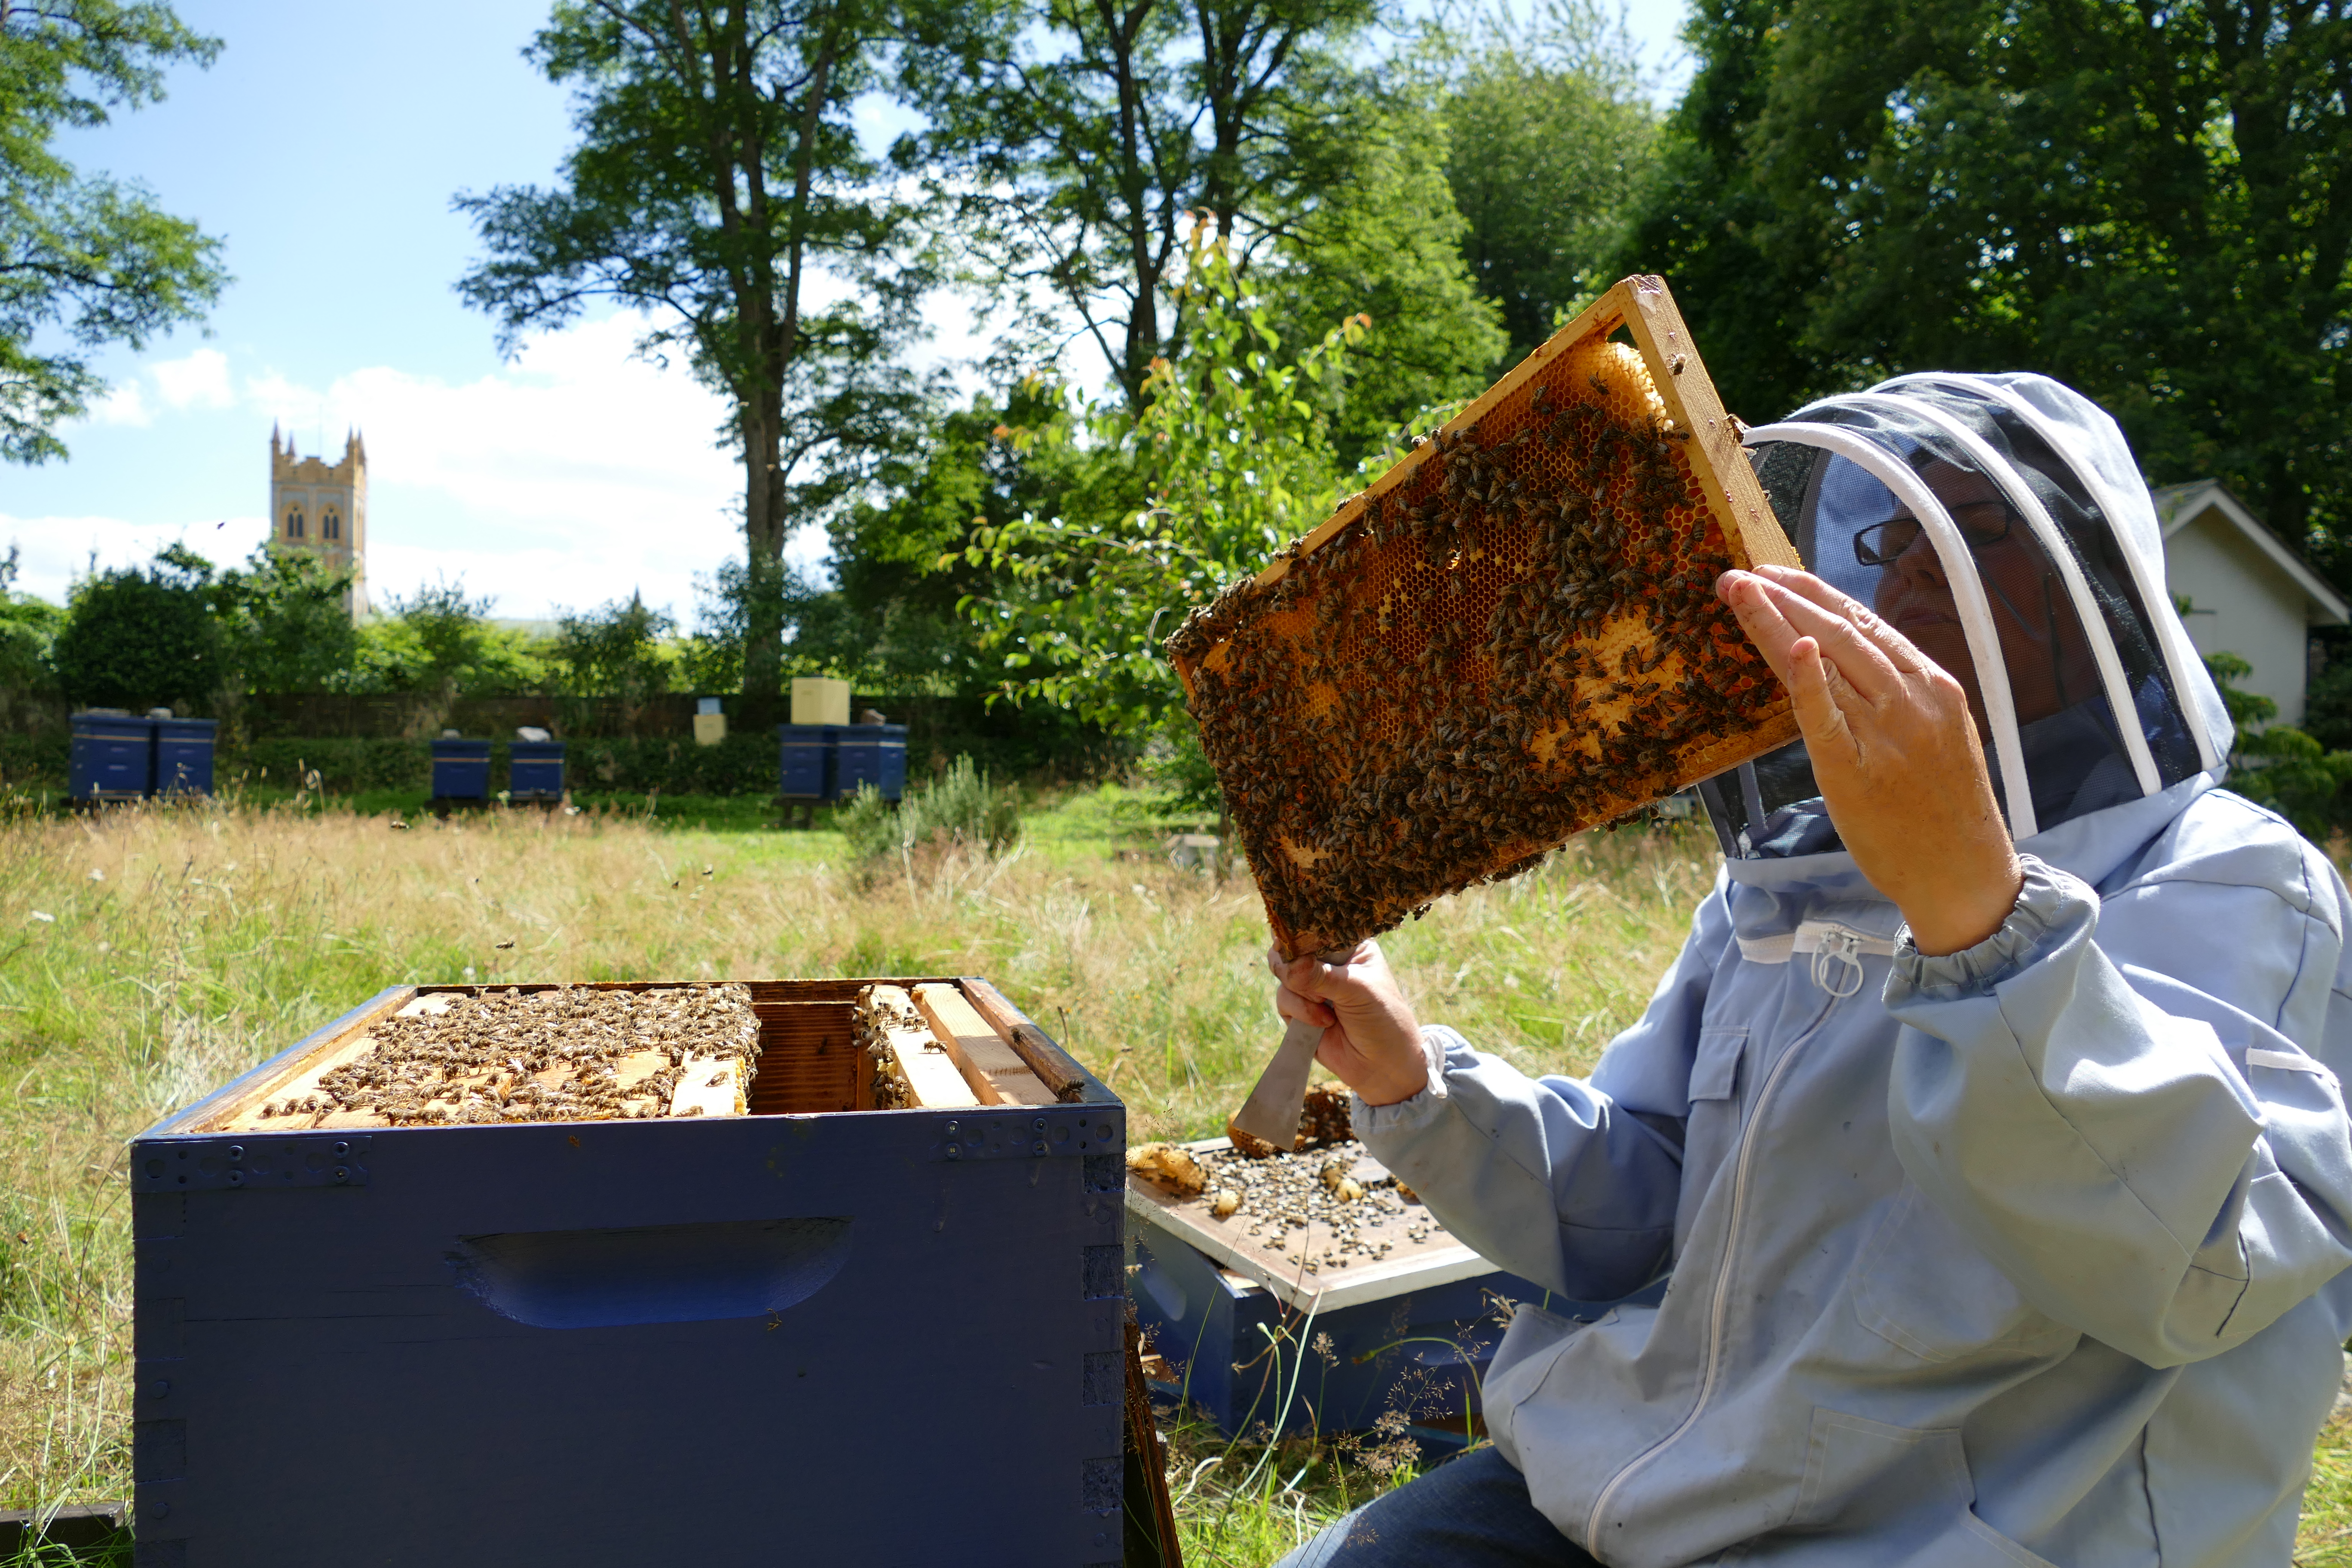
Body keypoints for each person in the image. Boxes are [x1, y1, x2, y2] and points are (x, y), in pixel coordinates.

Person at [1268, 374, 2352, 1567]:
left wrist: (1979, 921)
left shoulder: (2227, 881)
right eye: (1888, 540)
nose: (1906, 573)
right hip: (1622, 1490)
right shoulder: (1787, 888)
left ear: (2090, 589)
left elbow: (2200, 1269)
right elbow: (1635, 1208)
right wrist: (1418, 1085)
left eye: (1975, 535)